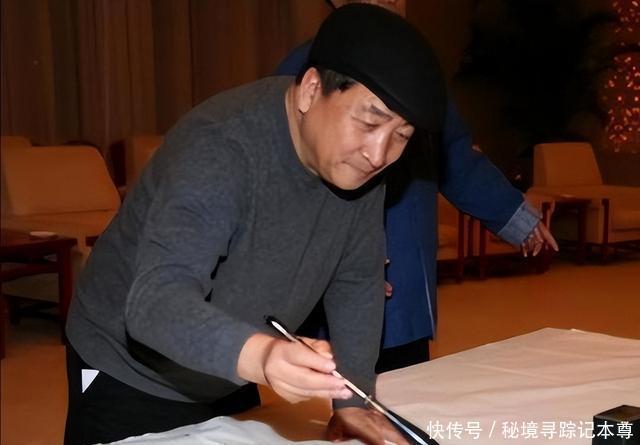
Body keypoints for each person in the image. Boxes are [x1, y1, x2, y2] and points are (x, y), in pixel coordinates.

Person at [64, 5, 447, 445]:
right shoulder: (220, 145)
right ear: (311, 90)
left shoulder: (358, 165)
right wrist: (262, 356)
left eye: (401, 136)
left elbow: (357, 279)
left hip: (230, 364)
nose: (378, 154)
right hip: (127, 371)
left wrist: (353, 400)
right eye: (369, 122)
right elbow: (154, 302)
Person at [277, 0, 558, 373]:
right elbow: (283, 184)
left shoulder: (417, 64)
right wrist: (333, 262)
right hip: (336, 276)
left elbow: (454, 156)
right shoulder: (307, 65)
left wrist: (513, 214)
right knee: (343, 382)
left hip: (406, 271)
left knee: (407, 380)